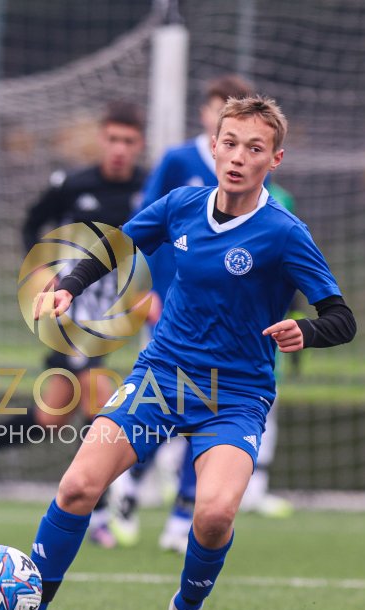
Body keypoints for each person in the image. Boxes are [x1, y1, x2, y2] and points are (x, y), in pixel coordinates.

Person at [0, 96, 355, 610]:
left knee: (214, 515)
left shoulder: (285, 233)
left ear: (276, 159)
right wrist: (67, 284)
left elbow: (342, 317)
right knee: (77, 486)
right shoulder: (182, 206)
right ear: (213, 147)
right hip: (162, 378)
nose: (239, 157)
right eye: (231, 143)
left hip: (236, 395)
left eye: (255, 148)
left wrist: (307, 330)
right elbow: (116, 243)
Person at [0, 102, 147, 548]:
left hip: (108, 311)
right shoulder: (74, 186)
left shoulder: (147, 190)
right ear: (101, 139)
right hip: (70, 312)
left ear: (139, 145)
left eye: (128, 142)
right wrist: (41, 272)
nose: (119, 149)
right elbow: (33, 223)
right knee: (99, 410)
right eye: (112, 139)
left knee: (51, 417)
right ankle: (102, 512)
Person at [110, 75, 296, 555]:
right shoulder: (178, 166)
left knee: (209, 421)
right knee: (156, 412)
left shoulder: (256, 171)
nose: (237, 152)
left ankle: (180, 516)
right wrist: (143, 289)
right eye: (221, 123)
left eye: (249, 143)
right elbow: (142, 228)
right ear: (208, 122)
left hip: (227, 327)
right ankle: (126, 492)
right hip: (170, 308)